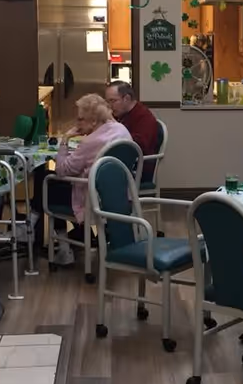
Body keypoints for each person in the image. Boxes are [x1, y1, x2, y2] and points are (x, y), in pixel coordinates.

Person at [30, 94, 131, 265]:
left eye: (80, 119)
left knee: (46, 178)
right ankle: (31, 224)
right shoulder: (121, 130)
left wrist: (65, 140)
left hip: (92, 198)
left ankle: (59, 245)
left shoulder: (90, 142)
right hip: (119, 196)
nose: (77, 124)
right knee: (49, 180)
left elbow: (63, 170)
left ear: (93, 121)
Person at [105, 80, 158, 178]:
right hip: (118, 162)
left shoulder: (144, 116)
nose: (109, 106)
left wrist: (114, 124)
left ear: (127, 98)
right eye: (107, 102)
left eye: (113, 101)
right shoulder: (120, 113)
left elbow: (137, 145)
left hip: (137, 167)